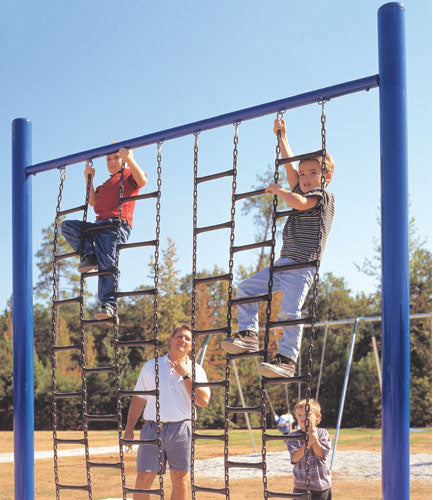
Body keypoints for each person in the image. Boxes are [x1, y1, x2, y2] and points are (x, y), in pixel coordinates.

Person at [221, 118, 335, 378]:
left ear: (325, 178)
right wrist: (282, 136)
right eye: (303, 174)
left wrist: (280, 191)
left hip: (303, 266)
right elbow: (290, 167)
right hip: (285, 263)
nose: (305, 178)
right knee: (245, 289)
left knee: (289, 312)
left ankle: (287, 359)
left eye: (312, 173)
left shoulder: (323, 196)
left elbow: (301, 203)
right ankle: (249, 333)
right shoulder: (301, 186)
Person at [123, 324, 211, 500]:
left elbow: (203, 401)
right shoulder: (151, 366)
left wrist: (186, 375)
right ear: (171, 340)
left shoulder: (196, 370)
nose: (182, 340)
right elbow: (138, 400)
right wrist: (129, 429)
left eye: (187, 338)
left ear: (191, 346)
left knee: (180, 478)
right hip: (151, 430)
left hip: (182, 430)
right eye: (179, 336)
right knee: (144, 477)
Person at [61, 147, 147, 320]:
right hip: (98, 226)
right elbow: (92, 201)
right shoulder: (105, 184)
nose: (112, 162)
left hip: (115, 226)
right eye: (108, 159)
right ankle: (90, 254)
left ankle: (109, 305)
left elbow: (142, 181)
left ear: (124, 159)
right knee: (68, 226)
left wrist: (129, 159)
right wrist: (89, 179)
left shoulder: (128, 176)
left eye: (116, 157)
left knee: (107, 262)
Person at [287, 399, 332, 499]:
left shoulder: (323, 433)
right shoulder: (293, 436)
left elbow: (321, 454)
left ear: (317, 416)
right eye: (299, 415)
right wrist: (308, 442)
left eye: (307, 414)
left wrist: (314, 438)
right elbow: (294, 458)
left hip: (320, 485)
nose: (303, 418)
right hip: (301, 485)